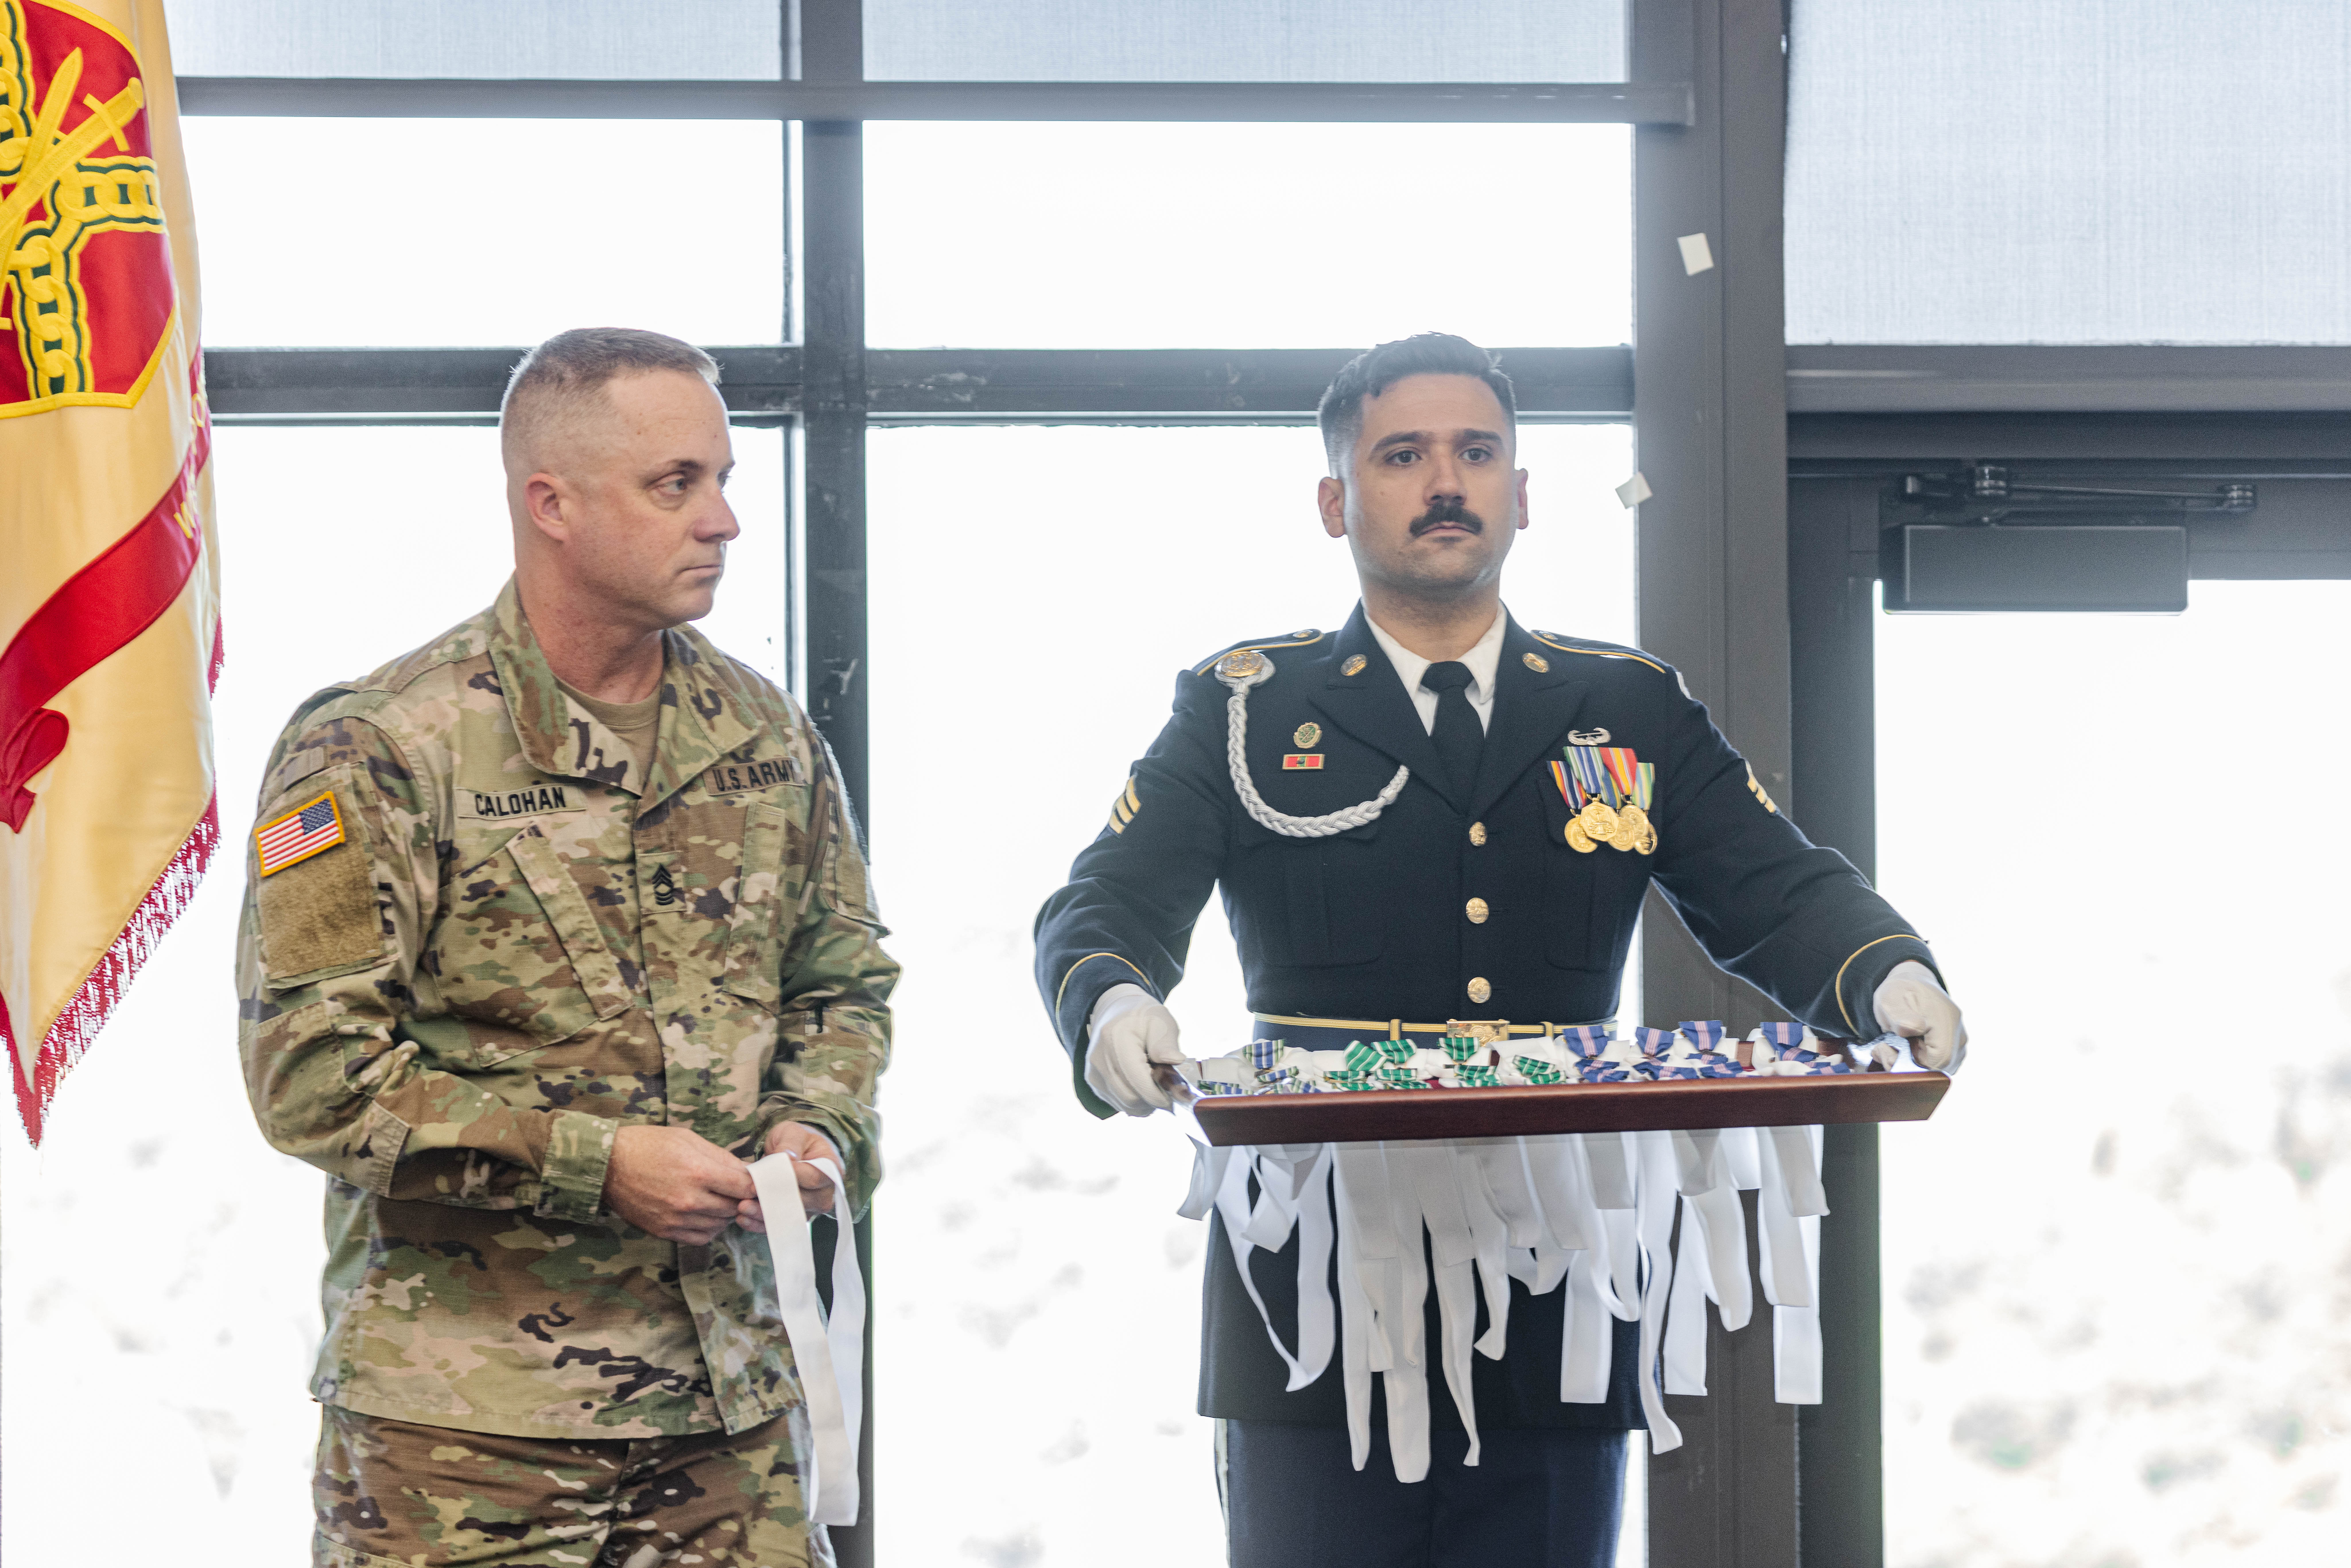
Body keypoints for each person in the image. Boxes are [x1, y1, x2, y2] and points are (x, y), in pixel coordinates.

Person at [1031, 333, 1965, 1567]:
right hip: (1311, 1289)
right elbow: (1101, 904)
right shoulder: (1247, 706)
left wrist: (1888, 968)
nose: (1444, 483)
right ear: (1335, 501)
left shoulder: (1624, 707)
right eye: (1401, 456)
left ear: (1520, 493)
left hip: (1556, 1283)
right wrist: (1111, 1004)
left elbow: (1774, 887)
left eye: (1476, 453)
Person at [236, 328, 896, 1568]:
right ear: (553, 505)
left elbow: (842, 980)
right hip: (467, 1436)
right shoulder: (380, 747)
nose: (723, 521)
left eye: (723, 480)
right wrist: (598, 1164)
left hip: (730, 1419)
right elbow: (314, 1078)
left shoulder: (763, 733)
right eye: (675, 484)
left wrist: (816, 1124)